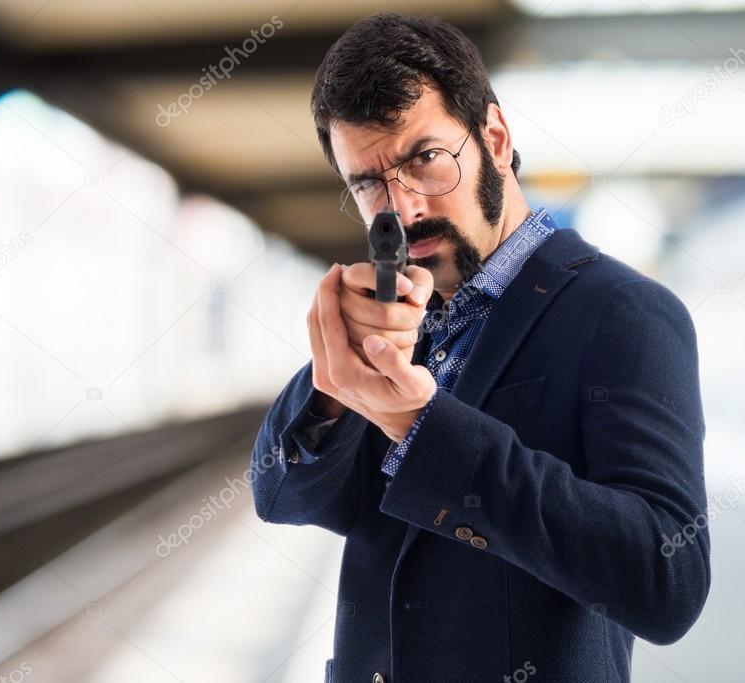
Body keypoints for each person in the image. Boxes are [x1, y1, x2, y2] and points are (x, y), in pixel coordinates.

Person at [251, 12, 710, 682]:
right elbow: (283, 498)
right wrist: (331, 386)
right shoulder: (396, 318)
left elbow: (666, 581)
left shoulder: (625, 313)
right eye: (368, 183)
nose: (402, 209)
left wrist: (422, 426)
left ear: (494, 138)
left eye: (424, 160)